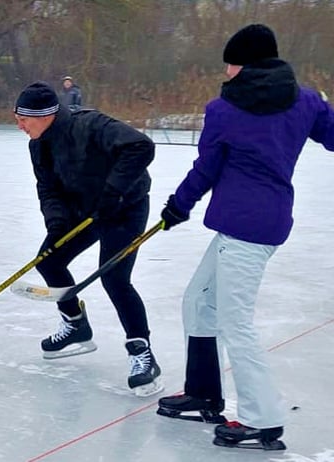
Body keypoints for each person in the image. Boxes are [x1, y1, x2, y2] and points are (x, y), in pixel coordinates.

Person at [156, 24, 334, 451]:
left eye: (231, 62)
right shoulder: (306, 100)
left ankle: (263, 419)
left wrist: (178, 205)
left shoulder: (224, 109)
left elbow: (206, 169)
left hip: (245, 232)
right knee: (199, 300)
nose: (228, 70)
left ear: (246, 64)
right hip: (261, 224)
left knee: (235, 322)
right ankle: (203, 393)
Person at [13, 81, 161, 397]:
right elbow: (48, 188)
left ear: (45, 115)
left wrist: (113, 191)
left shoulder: (91, 124)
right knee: (50, 260)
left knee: (114, 278)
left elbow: (141, 147)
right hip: (85, 210)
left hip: (124, 208)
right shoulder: (38, 145)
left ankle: (142, 353)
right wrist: (56, 223)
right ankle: (76, 324)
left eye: (24, 118)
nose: (20, 125)